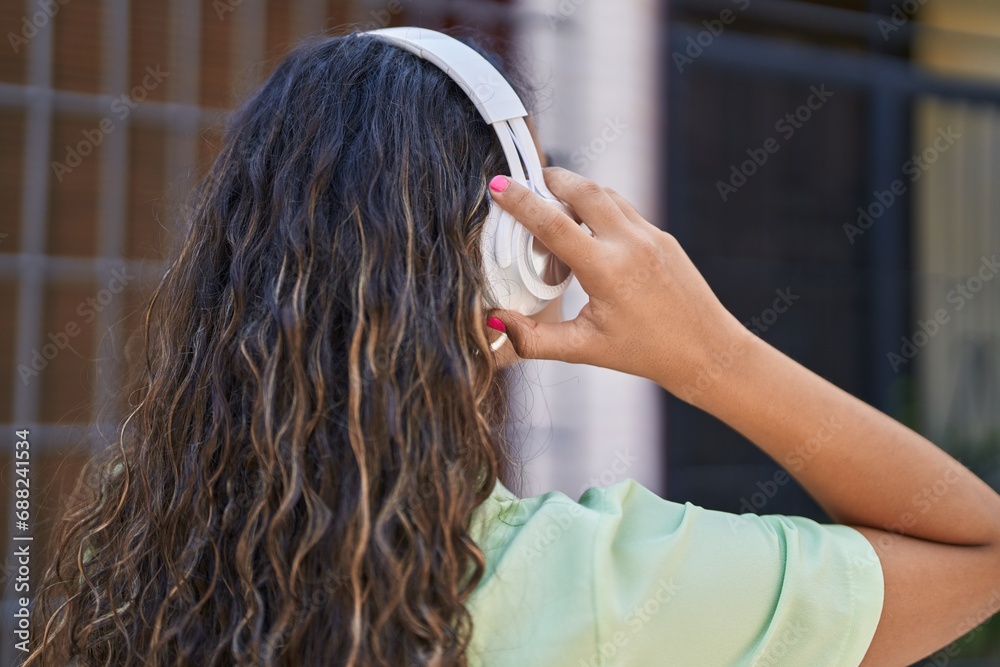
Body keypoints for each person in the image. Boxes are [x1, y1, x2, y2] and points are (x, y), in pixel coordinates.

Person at [23, 27, 1000, 667]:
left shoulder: (130, 568)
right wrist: (709, 353)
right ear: (509, 266)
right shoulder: (603, 589)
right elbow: (978, 548)